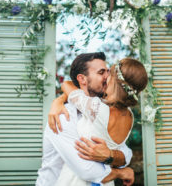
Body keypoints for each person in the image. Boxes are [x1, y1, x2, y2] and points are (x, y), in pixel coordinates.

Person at [36, 53, 136, 185]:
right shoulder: (62, 117)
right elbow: (88, 170)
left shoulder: (105, 111)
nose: (108, 77)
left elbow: (126, 153)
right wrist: (121, 172)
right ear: (82, 79)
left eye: (108, 72)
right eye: (101, 72)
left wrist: (110, 154)